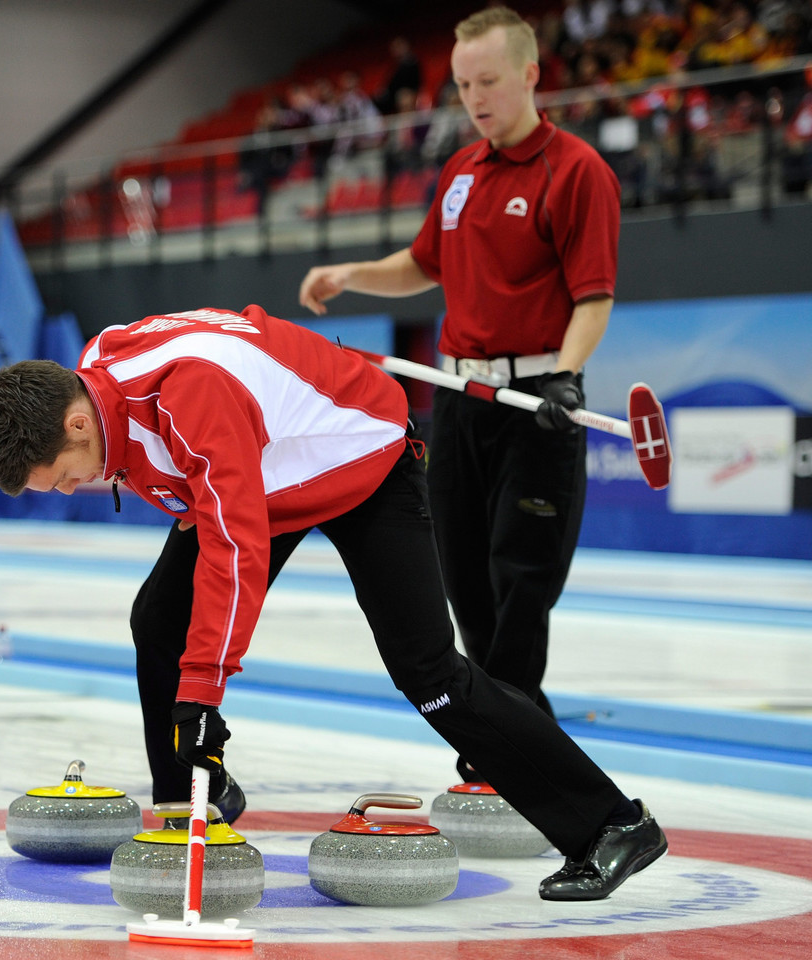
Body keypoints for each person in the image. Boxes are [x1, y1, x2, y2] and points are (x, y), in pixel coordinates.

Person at [0, 304, 667, 902]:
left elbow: (236, 544)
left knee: (431, 677)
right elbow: (238, 354)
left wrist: (202, 695)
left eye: (55, 478)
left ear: (77, 425)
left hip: (362, 458)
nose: (62, 490)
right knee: (159, 618)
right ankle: (190, 807)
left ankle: (611, 825)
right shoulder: (93, 370)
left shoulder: (185, 395)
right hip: (270, 465)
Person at [298, 6, 621, 772]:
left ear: (532, 73)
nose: (474, 98)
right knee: (462, 571)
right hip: (458, 398)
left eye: (488, 81)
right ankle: (518, 731)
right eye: (462, 84)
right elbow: (424, 266)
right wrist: (353, 276)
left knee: (522, 576)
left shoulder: (578, 172)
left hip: (539, 399)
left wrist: (567, 377)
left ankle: (503, 743)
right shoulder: (461, 173)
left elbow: (594, 297)